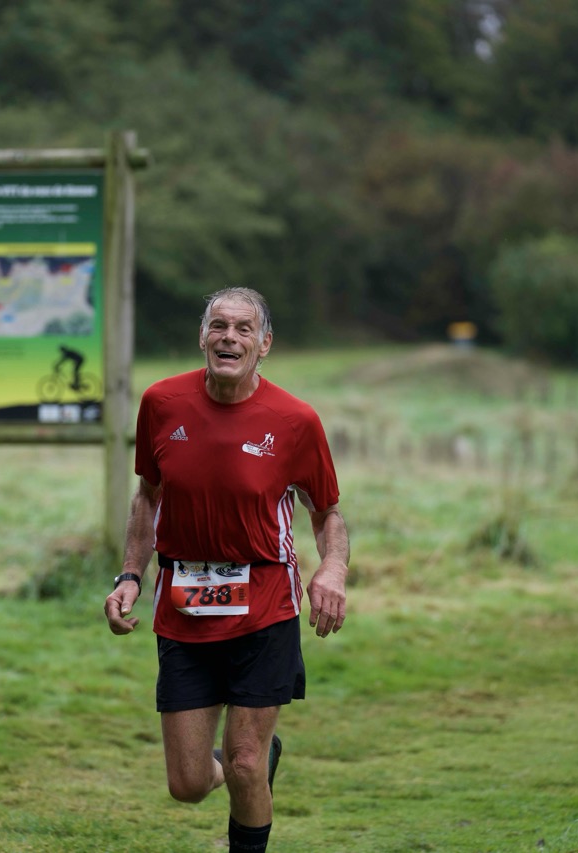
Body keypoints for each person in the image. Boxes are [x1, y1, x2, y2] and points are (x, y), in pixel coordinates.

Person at [103, 287, 349, 853]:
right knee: (188, 784)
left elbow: (327, 513)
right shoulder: (162, 403)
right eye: (218, 326)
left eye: (243, 329)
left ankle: (252, 769)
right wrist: (130, 575)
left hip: (265, 606)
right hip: (183, 607)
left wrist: (332, 568)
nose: (229, 338)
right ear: (202, 337)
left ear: (264, 344)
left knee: (243, 763)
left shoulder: (295, 420)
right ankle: (256, 764)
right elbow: (147, 496)